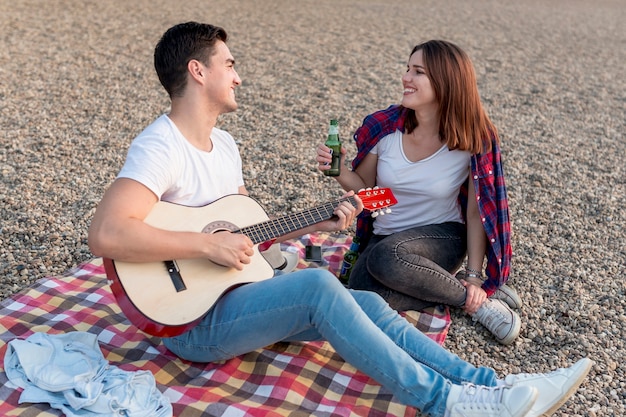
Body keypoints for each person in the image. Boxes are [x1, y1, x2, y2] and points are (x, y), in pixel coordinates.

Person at [88, 22, 592, 417]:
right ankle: (447, 403)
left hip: (230, 296)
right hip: (188, 324)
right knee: (319, 288)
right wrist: (207, 247)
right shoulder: (161, 145)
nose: (238, 75)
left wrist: (317, 226)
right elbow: (107, 233)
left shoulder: (224, 145)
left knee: (366, 301)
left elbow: (245, 237)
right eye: (230, 64)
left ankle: (488, 385)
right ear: (199, 72)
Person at [316, 40, 522, 345]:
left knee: (388, 258)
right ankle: (449, 289)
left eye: (418, 72)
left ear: (446, 82)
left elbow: (478, 210)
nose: (406, 78)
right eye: (407, 69)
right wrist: (340, 170)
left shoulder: (471, 141)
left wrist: (477, 274)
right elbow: (372, 194)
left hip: (441, 237)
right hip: (386, 234)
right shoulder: (386, 129)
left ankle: (478, 302)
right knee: (359, 289)